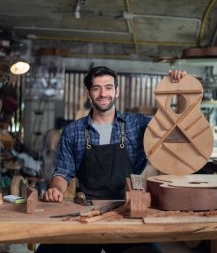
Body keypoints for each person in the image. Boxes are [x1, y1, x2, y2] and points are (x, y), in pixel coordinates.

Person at [37, 66, 187, 253]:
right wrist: (55, 189)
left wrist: (179, 89)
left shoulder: (137, 125)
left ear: (117, 91)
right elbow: (63, 172)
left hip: (126, 209)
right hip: (87, 210)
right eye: (96, 88)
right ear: (88, 92)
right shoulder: (73, 131)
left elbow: (175, 131)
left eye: (108, 87)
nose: (103, 93)